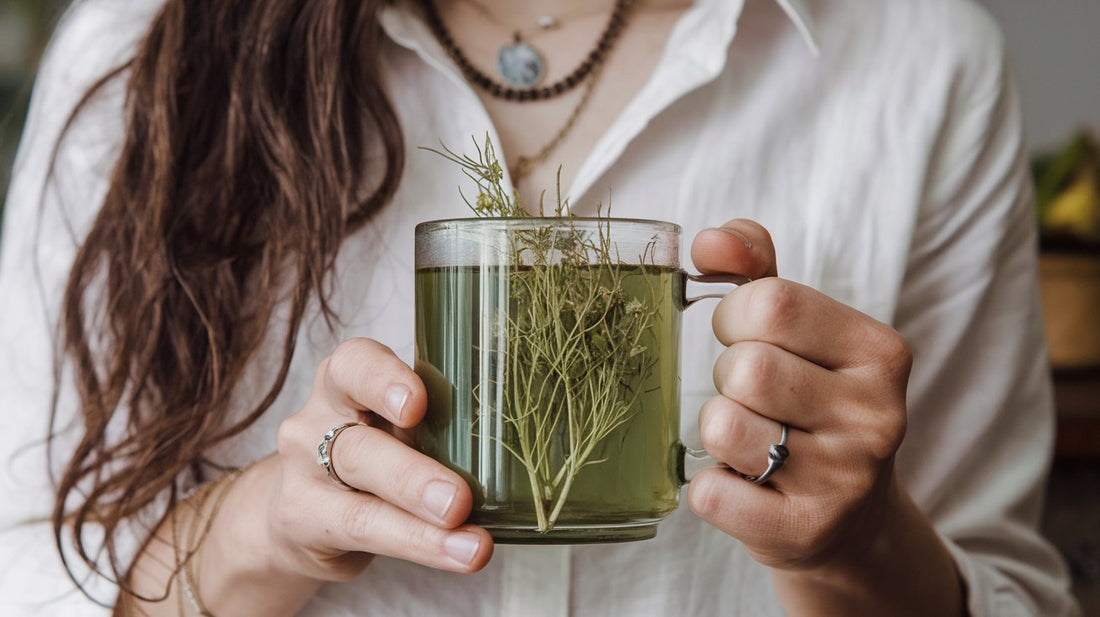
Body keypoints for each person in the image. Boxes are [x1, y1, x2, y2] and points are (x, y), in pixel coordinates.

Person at [0, 0, 1081, 615]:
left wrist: (857, 546)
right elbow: (30, 572)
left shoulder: (921, 62)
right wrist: (261, 529)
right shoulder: (143, 41)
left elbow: (1009, 590)